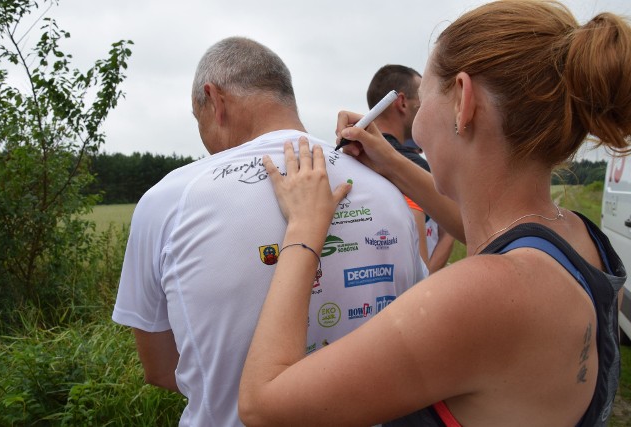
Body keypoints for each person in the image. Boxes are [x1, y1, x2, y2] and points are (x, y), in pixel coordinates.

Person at [238, 2, 629, 426]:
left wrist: (305, 229)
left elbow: (263, 406)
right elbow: (484, 230)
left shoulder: (481, 296)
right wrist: (389, 161)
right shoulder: (573, 236)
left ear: (463, 99)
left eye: (425, 102)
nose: (419, 124)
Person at [111, 36, 426, 426]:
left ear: (215, 100)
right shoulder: (390, 190)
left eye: (199, 120)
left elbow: (160, 369)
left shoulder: (168, 201)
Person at [367, 64, 455, 272]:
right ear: (402, 103)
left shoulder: (352, 158)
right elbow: (423, 260)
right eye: (422, 103)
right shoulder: (416, 167)